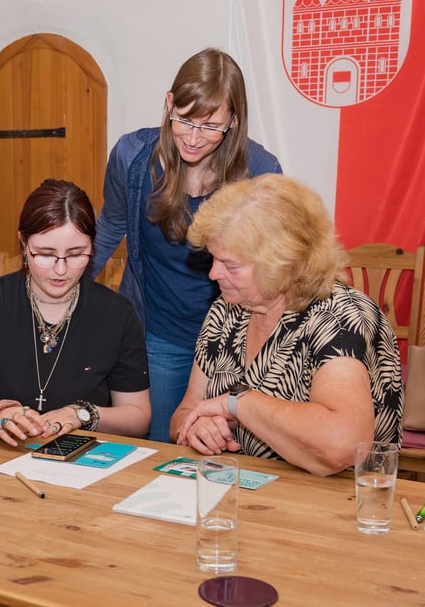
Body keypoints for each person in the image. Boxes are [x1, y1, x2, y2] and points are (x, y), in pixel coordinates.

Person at [88, 48, 282, 443]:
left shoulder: (261, 171)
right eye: (184, 120)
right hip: (161, 333)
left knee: (229, 452)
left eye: (210, 126)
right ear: (168, 104)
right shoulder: (133, 157)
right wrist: (63, 283)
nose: (193, 138)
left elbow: (273, 265)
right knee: (160, 448)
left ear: (233, 121)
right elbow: (109, 225)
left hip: (235, 340)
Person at [169, 175, 404, 476]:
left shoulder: (340, 317)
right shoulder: (226, 312)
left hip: (337, 503)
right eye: (213, 259)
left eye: (231, 265)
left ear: (280, 265)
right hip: (246, 492)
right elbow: (183, 415)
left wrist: (239, 404)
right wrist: (199, 427)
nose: (213, 274)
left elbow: (343, 444)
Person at [0, 179, 150, 446]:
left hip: (83, 458)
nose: (61, 270)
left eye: (76, 254)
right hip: (4, 452)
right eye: (45, 254)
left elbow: (138, 416)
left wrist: (81, 414)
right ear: (23, 243)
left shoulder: (116, 314)